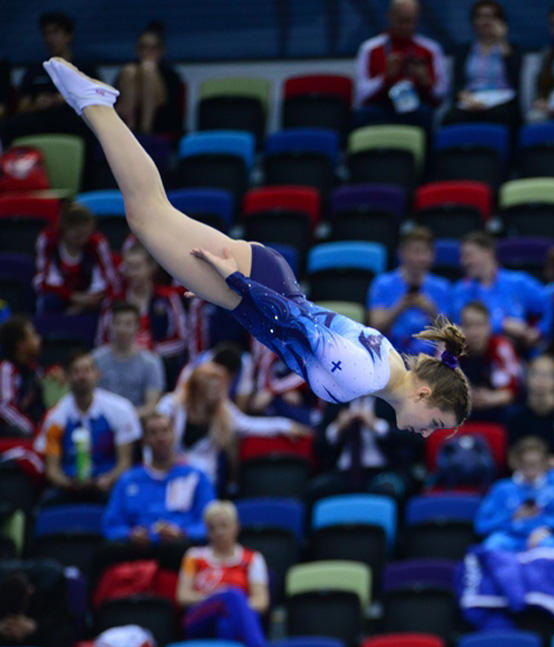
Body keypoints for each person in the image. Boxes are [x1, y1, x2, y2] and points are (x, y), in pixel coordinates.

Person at [40, 57, 471, 435]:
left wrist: (231, 294)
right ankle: (95, 104)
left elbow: (295, 326)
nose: (426, 433)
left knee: (149, 215)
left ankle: (95, 106)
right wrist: (235, 283)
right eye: (435, 423)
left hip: (260, 284)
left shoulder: (388, 363)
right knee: (148, 214)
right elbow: (297, 322)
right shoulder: (365, 377)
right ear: (425, 392)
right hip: (256, 284)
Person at [156, 361, 301, 489]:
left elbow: (250, 425)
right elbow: (154, 437)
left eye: (219, 388)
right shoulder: (171, 406)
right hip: (167, 469)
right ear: (196, 388)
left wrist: (286, 425)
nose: (217, 394)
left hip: (202, 475)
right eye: (212, 389)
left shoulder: (223, 410)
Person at [99, 412, 216, 568]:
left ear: (174, 435)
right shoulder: (128, 480)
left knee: (178, 549)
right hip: (137, 547)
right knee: (108, 552)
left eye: (165, 431)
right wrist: (130, 534)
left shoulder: (195, 477)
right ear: (144, 441)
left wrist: (182, 533)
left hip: (178, 545)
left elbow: (209, 521)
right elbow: (111, 524)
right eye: (153, 433)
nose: (160, 438)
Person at [36, 350, 142, 506]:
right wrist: (69, 484)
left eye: (87, 370)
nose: (82, 376)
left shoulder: (120, 409)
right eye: (76, 372)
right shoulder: (55, 418)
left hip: (107, 483)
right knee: (46, 503)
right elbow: (52, 469)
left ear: (97, 375)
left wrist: (107, 480)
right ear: (66, 378)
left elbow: (125, 462)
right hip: (69, 485)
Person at [177, 501, 268, 647]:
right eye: (212, 528)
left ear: (237, 526)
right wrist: (220, 598)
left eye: (224, 526)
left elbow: (261, 600)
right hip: (198, 617)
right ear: (207, 531)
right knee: (231, 594)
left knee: (226, 623)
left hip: (232, 617)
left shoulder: (253, 559)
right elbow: (183, 596)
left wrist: (235, 608)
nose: (218, 532)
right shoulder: (193, 556)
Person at [0, 12, 97, 145]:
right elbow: (22, 106)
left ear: (69, 35)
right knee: (9, 126)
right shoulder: (35, 70)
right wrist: (36, 105)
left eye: (55, 32)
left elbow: (95, 100)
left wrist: (60, 99)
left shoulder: (85, 68)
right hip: (40, 118)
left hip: (71, 118)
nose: (50, 39)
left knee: (90, 126)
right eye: (46, 34)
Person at [352, 0, 448, 132]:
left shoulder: (430, 49)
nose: (405, 26)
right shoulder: (370, 48)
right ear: (390, 17)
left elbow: (441, 97)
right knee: (363, 114)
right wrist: (386, 77)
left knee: (425, 114)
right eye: (401, 20)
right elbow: (361, 96)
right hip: (381, 104)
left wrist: (425, 81)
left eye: (410, 21)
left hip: (415, 104)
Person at [96, 242, 188, 370]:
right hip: (119, 363)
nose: (131, 273)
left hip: (159, 363)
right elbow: (102, 340)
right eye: (128, 267)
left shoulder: (167, 298)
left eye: (137, 267)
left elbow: (181, 340)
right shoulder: (113, 300)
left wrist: (151, 351)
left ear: (152, 267)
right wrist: (124, 351)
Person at [475, 437, 554, 551]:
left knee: (549, 545)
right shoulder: (502, 488)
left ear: (545, 463)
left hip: (541, 536)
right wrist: (512, 516)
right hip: (507, 536)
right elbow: (481, 526)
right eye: (526, 464)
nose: (530, 470)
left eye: (535, 464)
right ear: (517, 463)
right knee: (493, 545)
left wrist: (545, 525)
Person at [367, 226, 453, 354]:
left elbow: (449, 333)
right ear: (402, 253)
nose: (421, 258)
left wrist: (430, 309)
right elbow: (376, 326)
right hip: (392, 354)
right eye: (416, 252)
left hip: (430, 358)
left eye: (426, 252)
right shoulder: (382, 284)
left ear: (432, 256)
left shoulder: (442, 286)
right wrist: (400, 307)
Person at [453, 231, 544, 349]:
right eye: (462, 257)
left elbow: (549, 304)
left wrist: (539, 331)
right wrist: (502, 325)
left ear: (487, 252)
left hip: (522, 351)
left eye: (468, 255)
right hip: (476, 355)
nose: (464, 262)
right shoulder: (461, 289)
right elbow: (461, 326)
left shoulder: (519, 281)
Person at [311, 397, 415, 499]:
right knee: (318, 489)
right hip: (342, 472)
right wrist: (338, 427)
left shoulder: (390, 402)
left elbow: (411, 437)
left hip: (383, 471)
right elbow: (319, 444)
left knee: (387, 489)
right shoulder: (336, 402)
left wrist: (377, 425)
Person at [443, 0, 523, 131]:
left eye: (491, 17)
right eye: (480, 16)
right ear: (473, 21)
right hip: (471, 100)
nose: (486, 21)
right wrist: (465, 97)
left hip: (501, 102)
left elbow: (517, 81)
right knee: (451, 117)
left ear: (501, 21)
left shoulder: (511, 50)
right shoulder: (463, 52)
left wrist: (502, 40)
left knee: (500, 116)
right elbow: (457, 84)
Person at [33, 200, 120, 315]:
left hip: (90, 299)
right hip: (61, 296)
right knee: (50, 300)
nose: (83, 239)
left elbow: (109, 280)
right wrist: (72, 297)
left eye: (86, 234)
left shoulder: (96, 243)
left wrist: (85, 301)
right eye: (77, 235)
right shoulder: (48, 240)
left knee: (106, 303)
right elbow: (42, 280)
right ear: (64, 229)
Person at [506, 354, 554, 479]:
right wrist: (532, 469)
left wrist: (550, 464)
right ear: (527, 379)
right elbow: (512, 460)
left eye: (547, 375)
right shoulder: (516, 416)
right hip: (527, 473)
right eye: (535, 374)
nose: (541, 380)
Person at [92, 302, 167, 418]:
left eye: (128, 324)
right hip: (101, 422)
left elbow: (151, 406)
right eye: (117, 323)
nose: (122, 329)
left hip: (136, 424)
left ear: (137, 327)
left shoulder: (151, 362)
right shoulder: (95, 359)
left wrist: (124, 419)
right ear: (110, 325)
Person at [114, 21, 183, 138]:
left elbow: (174, 111)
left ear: (161, 50)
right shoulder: (128, 71)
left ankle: (146, 132)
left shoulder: (170, 75)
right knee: (129, 71)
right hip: (128, 116)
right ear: (137, 50)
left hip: (161, 120)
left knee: (148, 69)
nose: (147, 53)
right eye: (143, 48)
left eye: (153, 48)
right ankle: (130, 130)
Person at [458, 300, 522, 423]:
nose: (474, 332)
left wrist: (489, 399)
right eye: (468, 325)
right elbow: (439, 388)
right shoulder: (450, 348)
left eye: (479, 325)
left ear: (489, 326)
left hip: (493, 405)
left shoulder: (502, 347)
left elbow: (511, 392)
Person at [0, 316, 44, 438]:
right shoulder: (6, 369)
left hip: (27, 428)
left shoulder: (35, 369)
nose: (39, 339)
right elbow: (5, 408)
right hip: (7, 431)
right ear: (21, 344)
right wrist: (31, 429)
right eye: (33, 335)